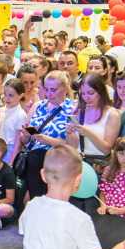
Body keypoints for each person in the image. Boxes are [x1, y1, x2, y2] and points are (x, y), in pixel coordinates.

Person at [19, 72, 78, 204]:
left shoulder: (72, 109)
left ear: (65, 88)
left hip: (57, 161)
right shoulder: (38, 106)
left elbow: (72, 145)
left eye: (54, 90)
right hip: (33, 160)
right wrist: (26, 135)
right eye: (46, 89)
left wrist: (45, 139)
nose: (49, 93)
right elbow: (25, 139)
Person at [0, 76, 29, 164]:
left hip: (9, 150)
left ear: (20, 95)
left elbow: (17, 143)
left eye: (11, 95)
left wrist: (12, 161)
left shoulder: (20, 115)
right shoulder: (0, 110)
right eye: (5, 94)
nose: (7, 98)